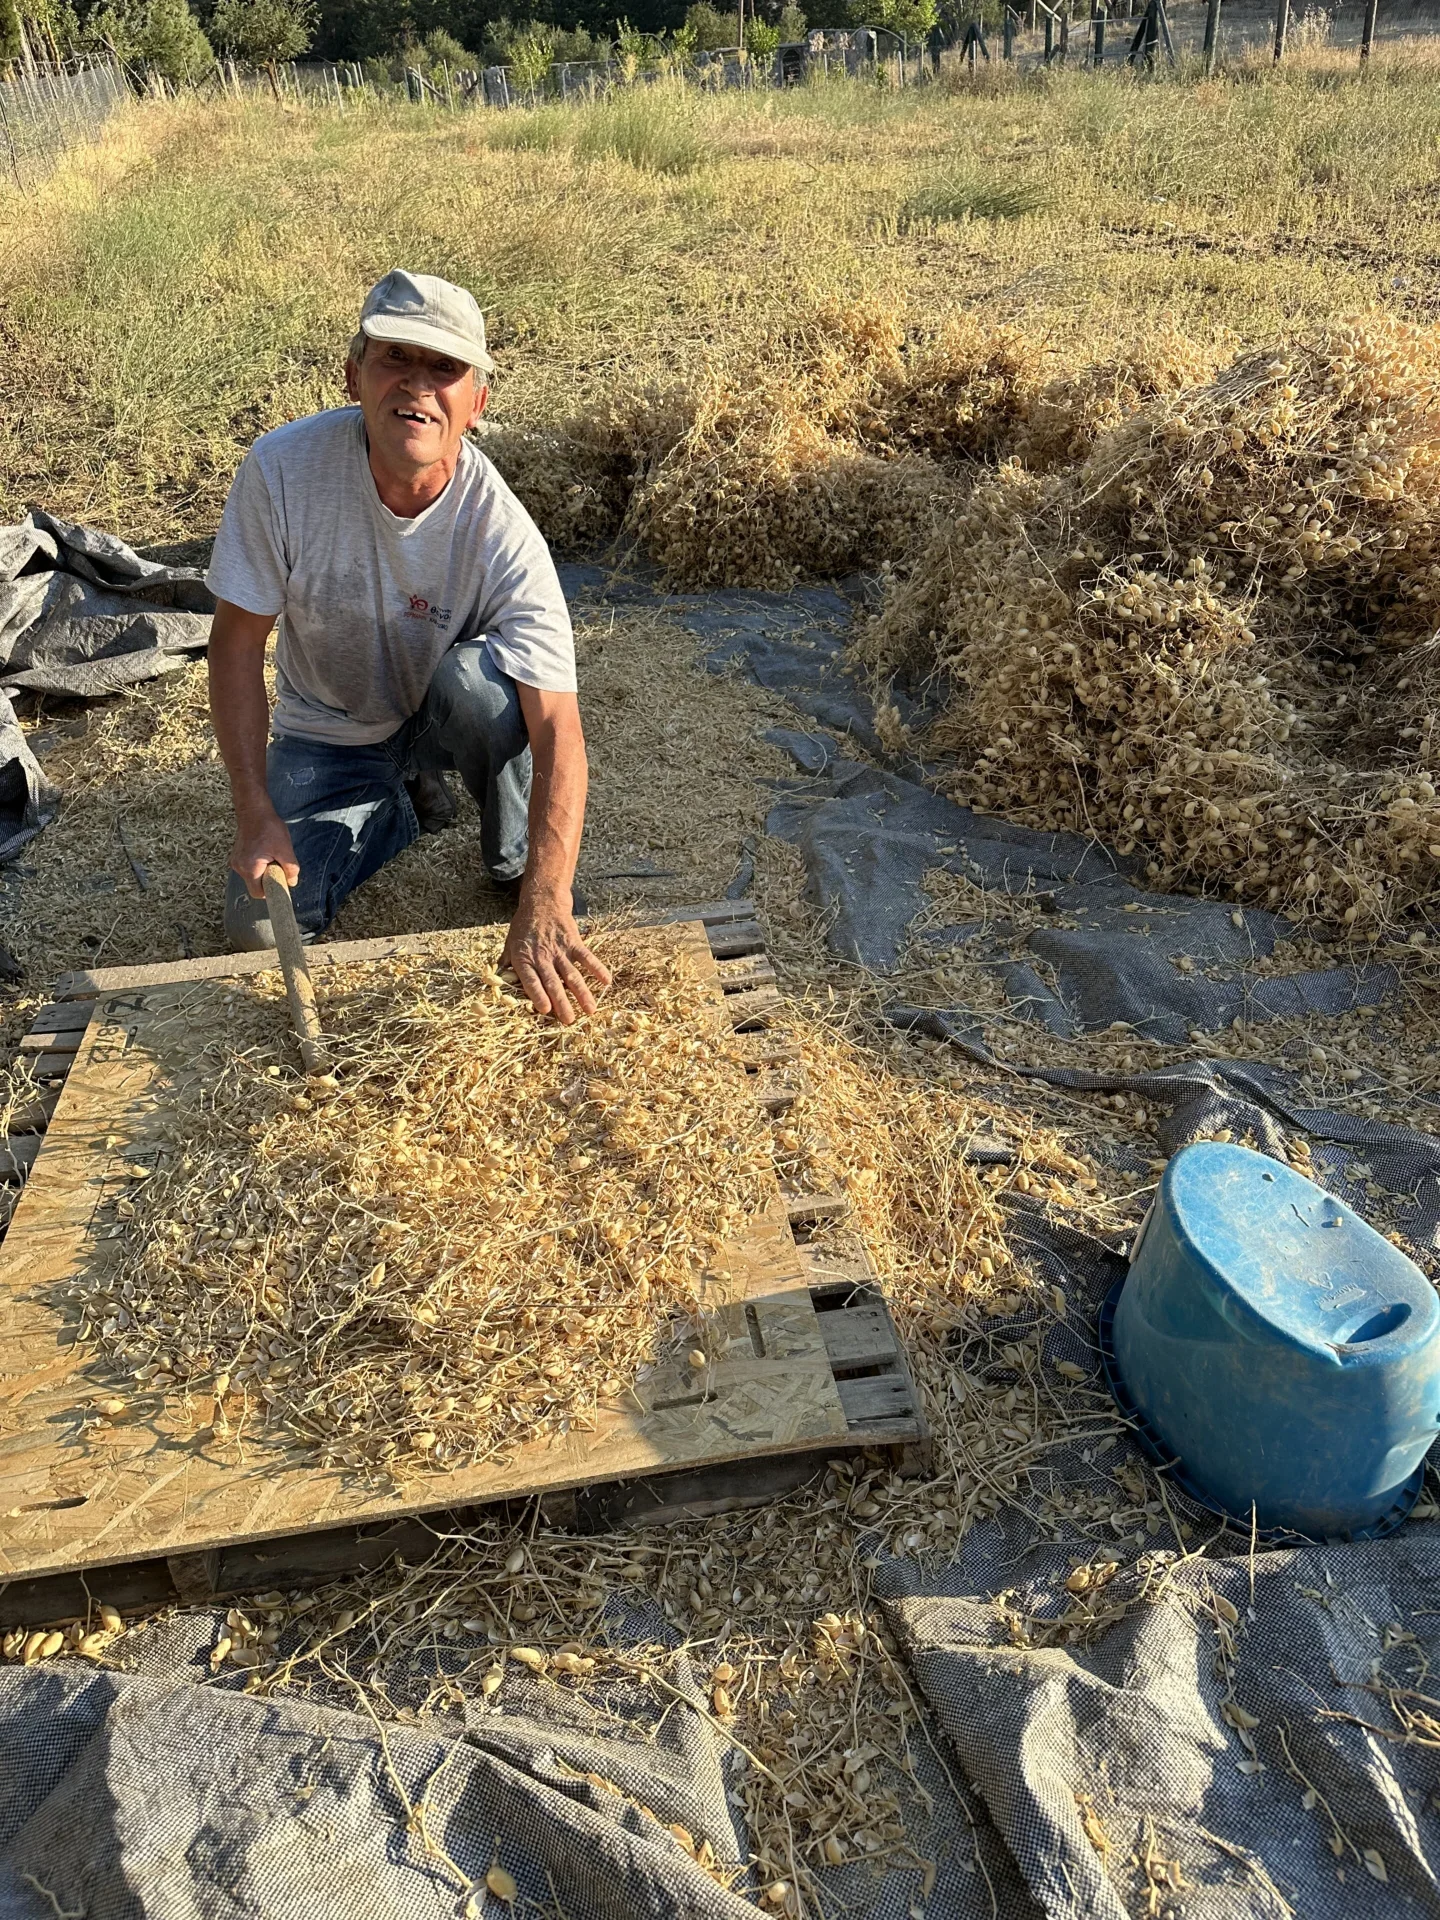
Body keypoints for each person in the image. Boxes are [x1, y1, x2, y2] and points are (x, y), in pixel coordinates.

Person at [204, 269, 610, 1026]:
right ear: (353, 374)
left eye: (444, 368)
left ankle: (511, 865)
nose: (417, 385)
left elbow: (558, 724)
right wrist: (255, 811)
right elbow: (235, 645)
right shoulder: (283, 471)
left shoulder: (500, 531)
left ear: (476, 403)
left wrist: (549, 894)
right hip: (327, 731)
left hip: (441, 715)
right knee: (257, 930)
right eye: (395, 357)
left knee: (484, 687)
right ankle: (402, 806)